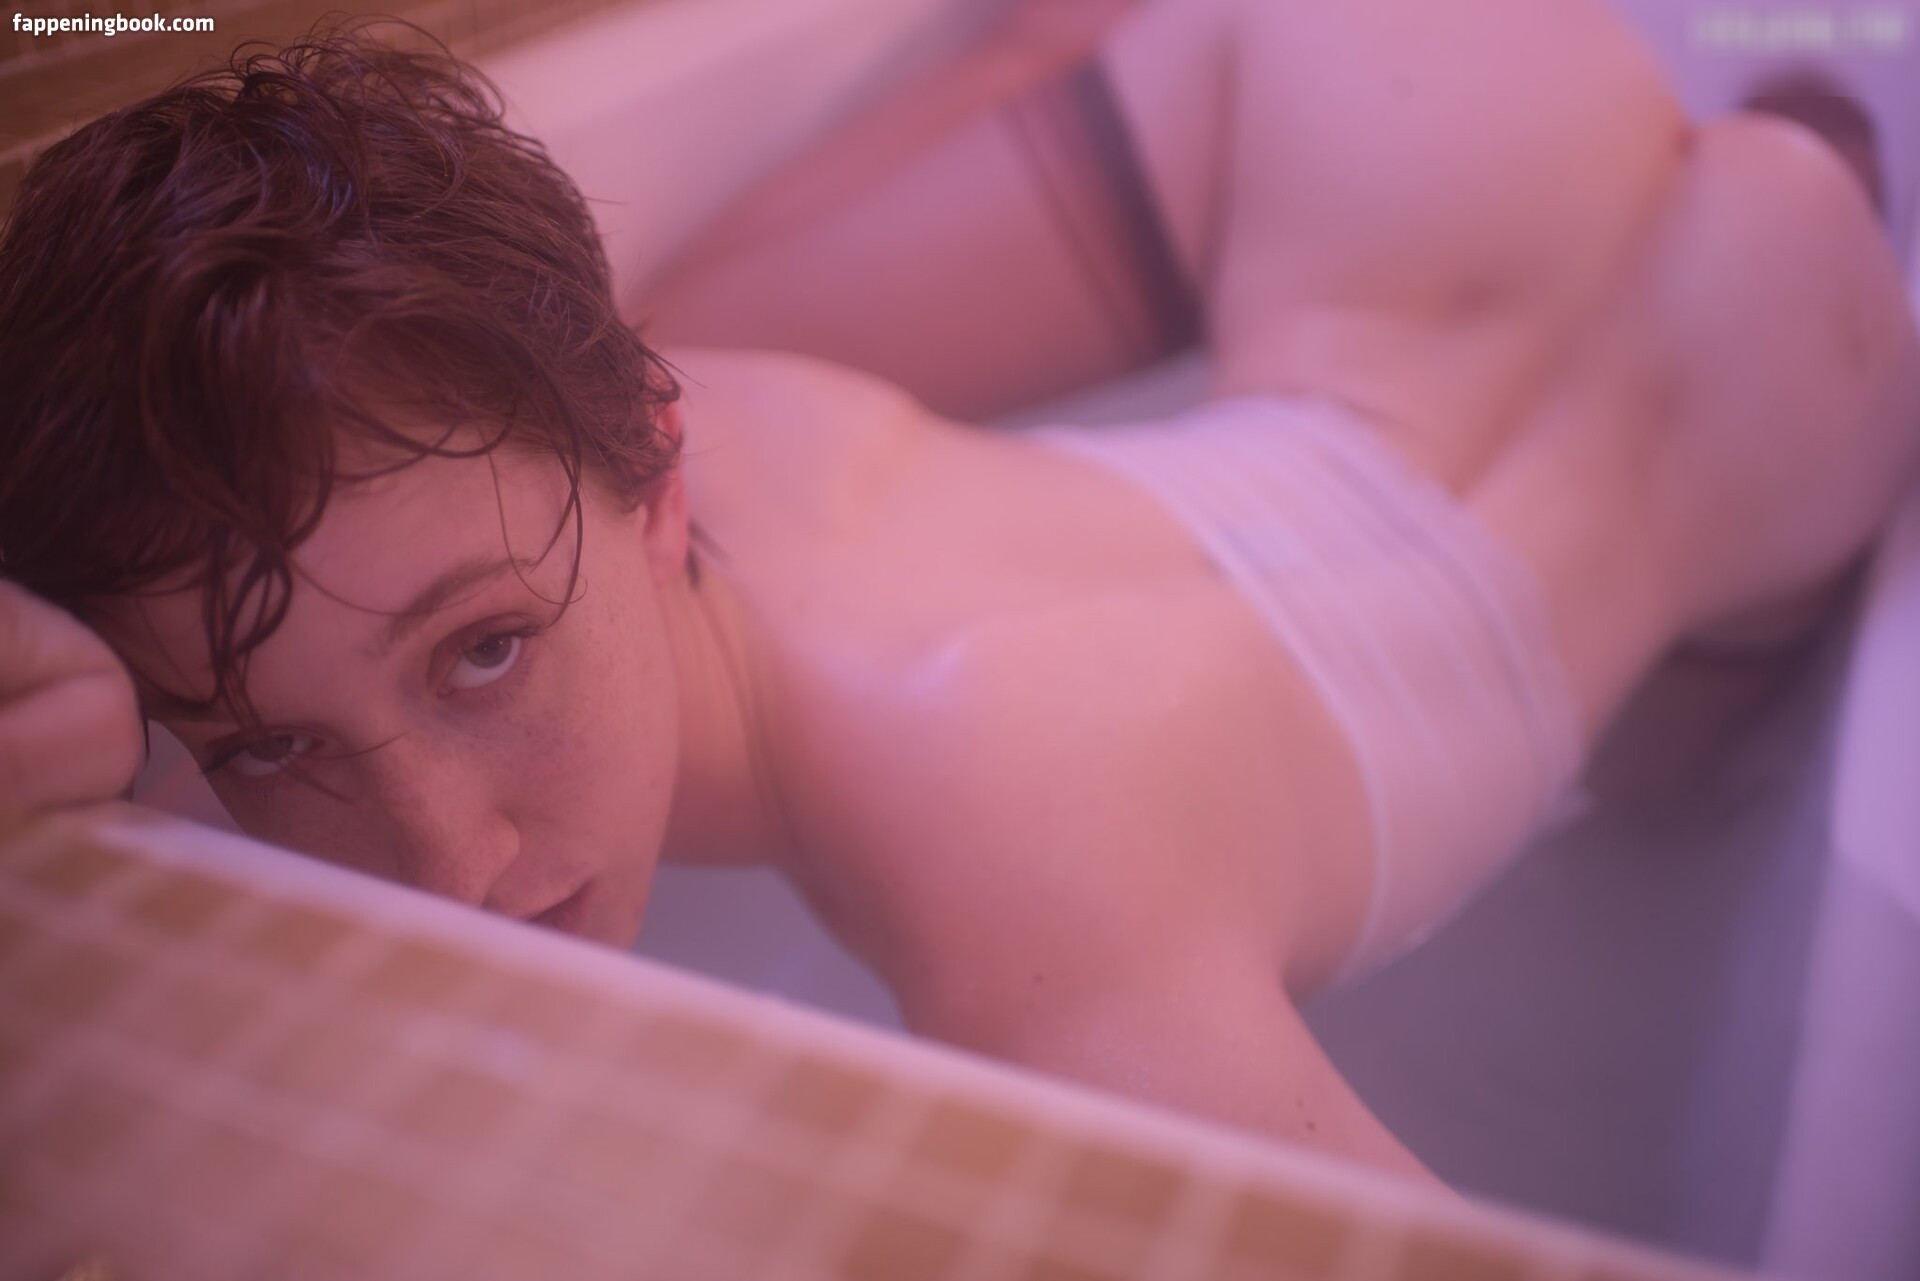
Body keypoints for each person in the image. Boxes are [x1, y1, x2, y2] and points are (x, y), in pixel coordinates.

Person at [2, 0, 1916, 1187]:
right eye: (273, 750)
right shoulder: (624, 404)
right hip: (1423, 105)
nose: (447, 863)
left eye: (485, 652)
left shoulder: (1015, 874)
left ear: (664, 473)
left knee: (1672, 773)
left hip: (1788, 409)